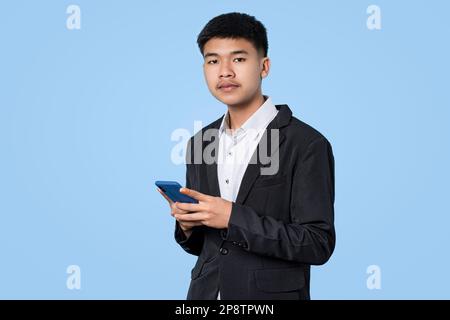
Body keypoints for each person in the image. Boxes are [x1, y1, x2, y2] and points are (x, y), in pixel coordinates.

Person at [158, 12, 335, 300]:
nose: (224, 71)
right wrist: (188, 225)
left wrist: (231, 216)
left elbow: (317, 243)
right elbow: (207, 246)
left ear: (264, 66)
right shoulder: (200, 143)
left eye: (238, 59)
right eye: (213, 60)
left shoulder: (306, 143)